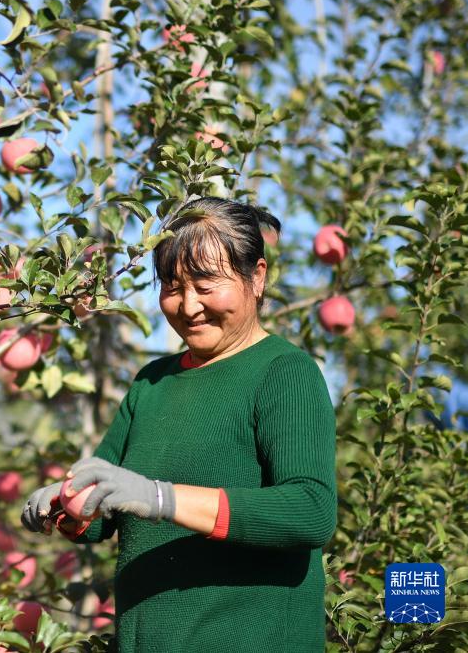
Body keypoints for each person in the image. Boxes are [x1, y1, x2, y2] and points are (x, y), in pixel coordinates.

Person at [21, 198, 338, 652]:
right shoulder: (152, 383)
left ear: (257, 276)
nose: (188, 306)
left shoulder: (283, 372)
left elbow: (310, 511)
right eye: (172, 285)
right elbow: (100, 516)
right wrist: (65, 503)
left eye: (207, 284)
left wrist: (160, 498)